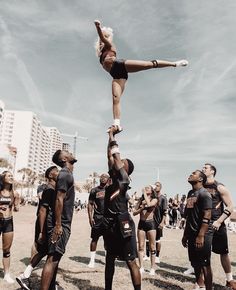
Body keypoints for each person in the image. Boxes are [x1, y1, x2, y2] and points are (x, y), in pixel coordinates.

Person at [94, 19, 188, 131]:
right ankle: (117, 124)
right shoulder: (100, 54)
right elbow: (102, 42)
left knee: (149, 64)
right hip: (116, 76)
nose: (102, 41)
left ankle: (174, 64)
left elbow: (103, 37)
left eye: (105, 37)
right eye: (100, 40)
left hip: (120, 65)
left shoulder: (110, 45)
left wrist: (98, 28)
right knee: (115, 98)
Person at [103, 125, 141, 290]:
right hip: (110, 224)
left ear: (126, 168)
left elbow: (115, 156)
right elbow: (110, 156)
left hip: (123, 223)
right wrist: (109, 137)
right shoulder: (112, 176)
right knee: (109, 259)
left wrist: (114, 136)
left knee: (131, 261)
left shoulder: (124, 179)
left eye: (122, 161)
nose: (119, 160)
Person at [16, 166, 59, 290]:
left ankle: (27, 275)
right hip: (44, 223)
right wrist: (41, 231)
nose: (59, 173)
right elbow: (42, 210)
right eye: (56, 171)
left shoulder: (54, 188)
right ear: (50, 175)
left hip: (48, 223)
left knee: (48, 251)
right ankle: (27, 275)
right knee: (49, 251)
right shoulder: (46, 188)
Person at [40, 150, 77, 290]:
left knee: (56, 257)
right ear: (64, 159)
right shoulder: (65, 174)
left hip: (63, 222)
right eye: (68, 152)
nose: (71, 153)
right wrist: (58, 225)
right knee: (52, 258)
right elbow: (58, 199)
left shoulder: (66, 174)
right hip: (60, 223)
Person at [202, 163, 236, 289]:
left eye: (205, 168)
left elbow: (231, 206)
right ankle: (201, 282)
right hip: (204, 224)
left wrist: (219, 221)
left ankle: (229, 279)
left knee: (223, 253)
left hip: (218, 224)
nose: (203, 169)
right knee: (204, 254)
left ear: (212, 172)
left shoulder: (219, 187)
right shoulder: (200, 186)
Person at [182, 170, 213, 290]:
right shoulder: (190, 193)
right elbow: (189, 216)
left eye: (193, 173)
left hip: (203, 233)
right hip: (191, 232)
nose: (190, 174)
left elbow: (207, 216)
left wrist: (201, 235)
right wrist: (186, 235)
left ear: (200, 179)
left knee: (205, 264)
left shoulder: (205, 194)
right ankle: (200, 285)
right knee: (194, 262)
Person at [133, 185, 157, 275]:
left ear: (152, 191)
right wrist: (141, 208)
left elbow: (150, 204)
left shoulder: (154, 199)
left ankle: (152, 268)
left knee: (152, 247)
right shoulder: (140, 200)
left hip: (151, 224)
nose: (146, 189)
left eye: (148, 188)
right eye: (145, 188)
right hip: (142, 224)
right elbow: (134, 212)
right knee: (140, 246)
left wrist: (144, 195)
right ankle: (141, 267)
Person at [0, 171, 20, 283]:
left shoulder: (15, 193)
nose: (11, 176)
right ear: (3, 178)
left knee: (6, 249)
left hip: (8, 222)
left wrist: (17, 203)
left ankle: (7, 274)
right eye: (9, 175)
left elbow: (17, 209)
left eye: (12, 175)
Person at [87, 173, 109, 268]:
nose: (103, 178)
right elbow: (90, 204)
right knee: (94, 239)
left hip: (108, 218)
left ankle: (107, 260)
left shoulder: (111, 190)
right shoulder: (94, 190)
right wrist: (90, 217)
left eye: (105, 177)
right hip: (97, 217)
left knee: (108, 240)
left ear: (108, 179)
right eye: (101, 177)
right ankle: (92, 260)